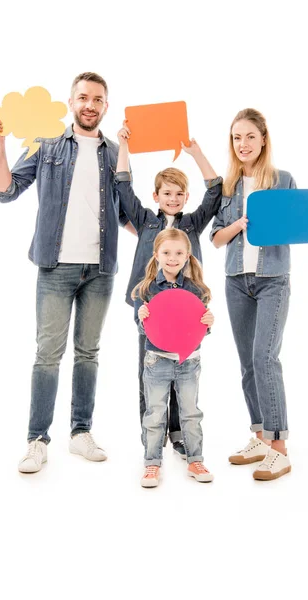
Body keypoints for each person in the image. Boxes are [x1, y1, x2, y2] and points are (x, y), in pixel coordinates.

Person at [0, 72, 136, 473]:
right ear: (71, 102)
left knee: (89, 353)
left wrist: (167, 229)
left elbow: (127, 214)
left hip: (100, 269)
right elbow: (6, 190)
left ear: (106, 106)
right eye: (83, 97)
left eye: (98, 99)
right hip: (56, 266)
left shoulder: (116, 151)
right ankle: (37, 440)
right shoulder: (47, 144)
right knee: (48, 355)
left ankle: (80, 433)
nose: (90, 105)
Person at [115, 121, 222, 459]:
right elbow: (122, 187)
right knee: (149, 371)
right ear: (156, 196)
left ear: (185, 197)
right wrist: (124, 147)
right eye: (167, 193)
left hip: (188, 311)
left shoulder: (192, 224)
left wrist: (195, 153)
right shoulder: (146, 221)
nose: (173, 199)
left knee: (184, 369)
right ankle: (153, 435)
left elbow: (216, 191)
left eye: (179, 194)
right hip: (150, 310)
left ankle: (177, 432)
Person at [210, 107, 298, 480]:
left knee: (265, 357)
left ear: (263, 139)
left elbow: (298, 225)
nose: (243, 144)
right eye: (236, 137)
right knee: (248, 362)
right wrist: (238, 225)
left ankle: (279, 446)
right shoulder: (227, 187)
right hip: (235, 280)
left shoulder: (283, 180)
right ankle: (260, 436)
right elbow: (215, 238)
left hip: (272, 279)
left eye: (249, 136)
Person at [133, 229, 214, 487]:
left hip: (189, 361)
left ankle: (195, 459)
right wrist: (143, 317)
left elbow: (198, 327)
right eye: (166, 253)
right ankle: (152, 464)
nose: (172, 258)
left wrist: (208, 322)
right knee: (155, 413)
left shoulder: (196, 289)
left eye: (179, 253)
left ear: (187, 256)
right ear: (156, 255)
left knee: (191, 412)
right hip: (157, 360)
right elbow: (143, 328)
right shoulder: (145, 289)